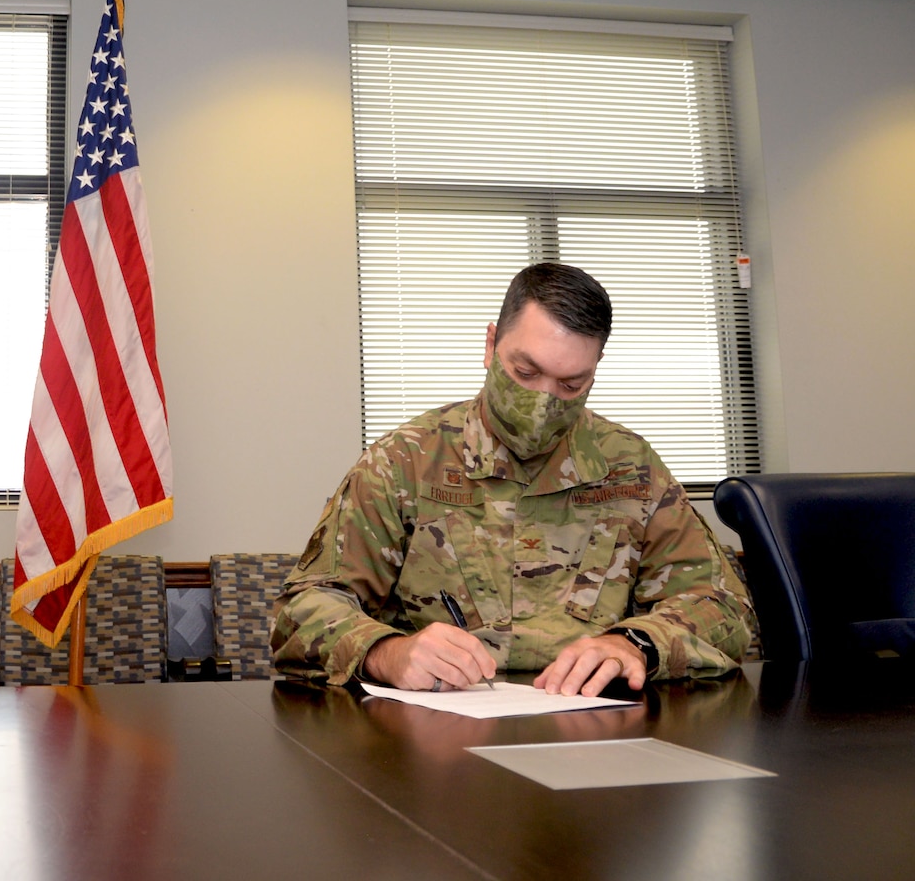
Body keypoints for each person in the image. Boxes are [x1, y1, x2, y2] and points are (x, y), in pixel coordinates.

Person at [271, 263, 755, 697]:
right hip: (433, 748)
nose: (544, 403)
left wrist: (637, 644)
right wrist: (386, 652)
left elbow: (725, 607)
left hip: (595, 736)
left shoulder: (631, 467)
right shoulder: (405, 462)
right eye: (525, 372)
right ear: (490, 345)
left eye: (571, 385)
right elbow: (300, 612)